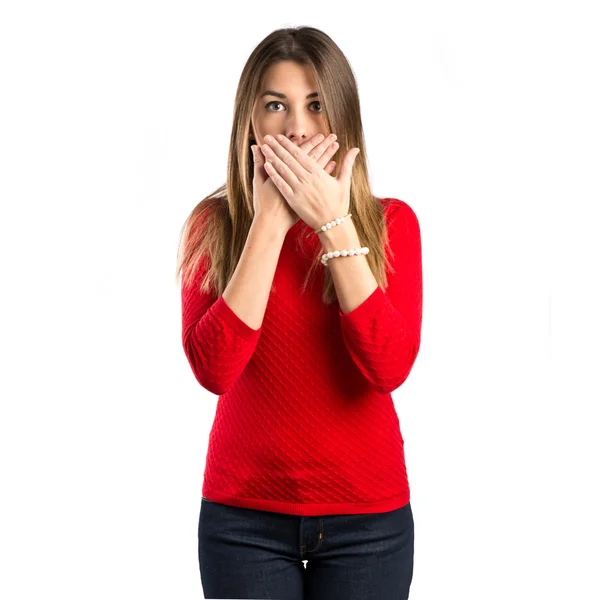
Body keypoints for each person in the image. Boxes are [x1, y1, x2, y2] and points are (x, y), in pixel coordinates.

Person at [176, 25, 423, 600]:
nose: (297, 128)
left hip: (368, 522)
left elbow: (388, 367)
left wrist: (333, 224)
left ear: (341, 116)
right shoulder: (211, 228)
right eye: (276, 106)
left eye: (314, 105)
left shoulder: (392, 225)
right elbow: (214, 369)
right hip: (243, 521)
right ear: (250, 123)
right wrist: (268, 223)